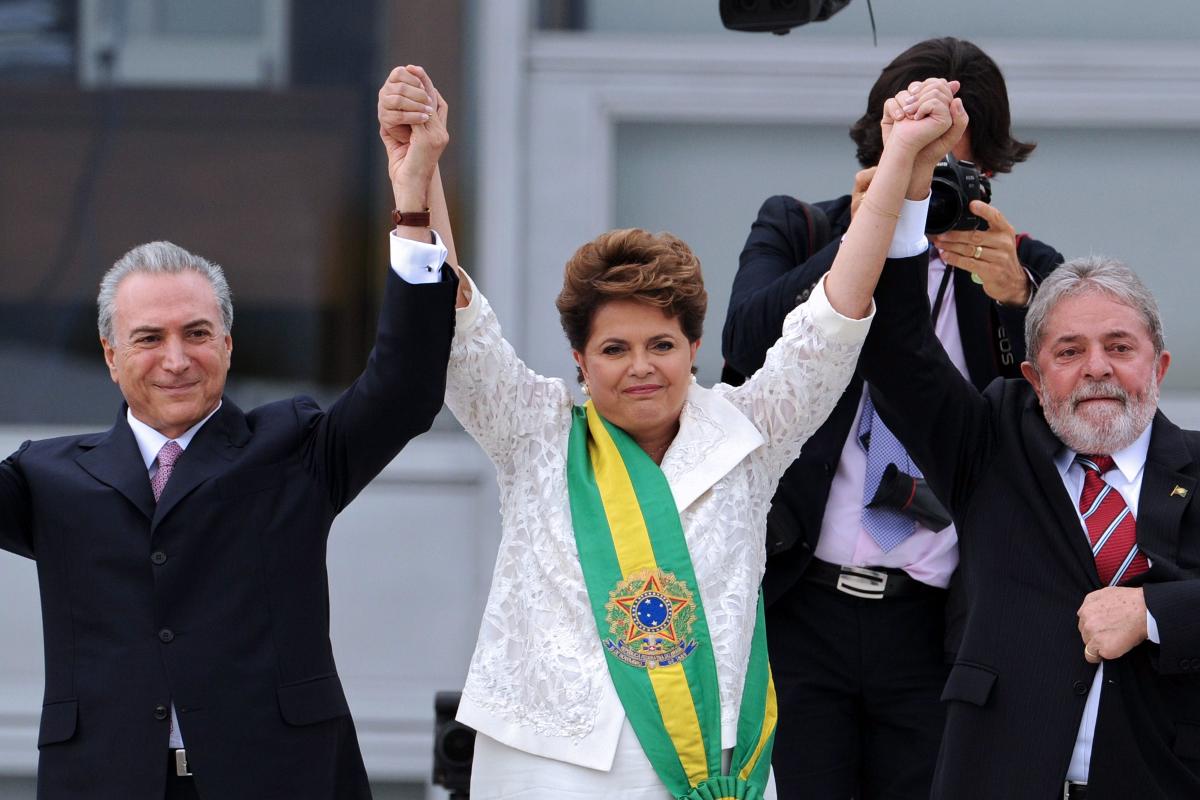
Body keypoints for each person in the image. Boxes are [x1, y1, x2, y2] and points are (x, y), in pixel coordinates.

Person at [381, 65, 965, 798]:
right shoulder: (535, 431)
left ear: (694, 348)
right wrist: (419, 175)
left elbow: (835, 317)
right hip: (545, 763)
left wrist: (899, 161)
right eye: (614, 350)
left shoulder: (749, 436)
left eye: (661, 345)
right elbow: (457, 323)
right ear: (580, 363)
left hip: (707, 765)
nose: (641, 369)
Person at [0, 68, 457, 800]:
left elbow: (404, 389)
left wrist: (412, 201)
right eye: (149, 338)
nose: (177, 359)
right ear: (111, 357)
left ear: (230, 345)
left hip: (282, 780)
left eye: (198, 333)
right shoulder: (47, 478)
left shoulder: (296, 449)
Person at [720, 37, 1064, 798]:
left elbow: (1061, 434)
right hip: (800, 601)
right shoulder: (801, 227)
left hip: (938, 624)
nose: (925, 181)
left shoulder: (1021, 268)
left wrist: (1021, 303)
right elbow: (743, 346)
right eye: (913, 155)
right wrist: (873, 229)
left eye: (944, 168)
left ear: (990, 172)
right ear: (877, 140)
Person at [859, 249, 1200, 798]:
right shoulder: (989, 449)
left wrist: (1156, 613)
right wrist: (904, 200)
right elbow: (898, 348)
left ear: (1157, 366)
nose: (1097, 367)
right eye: (1069, 351)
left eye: (1119, 347)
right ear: (1036, 381)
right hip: (998, 776)